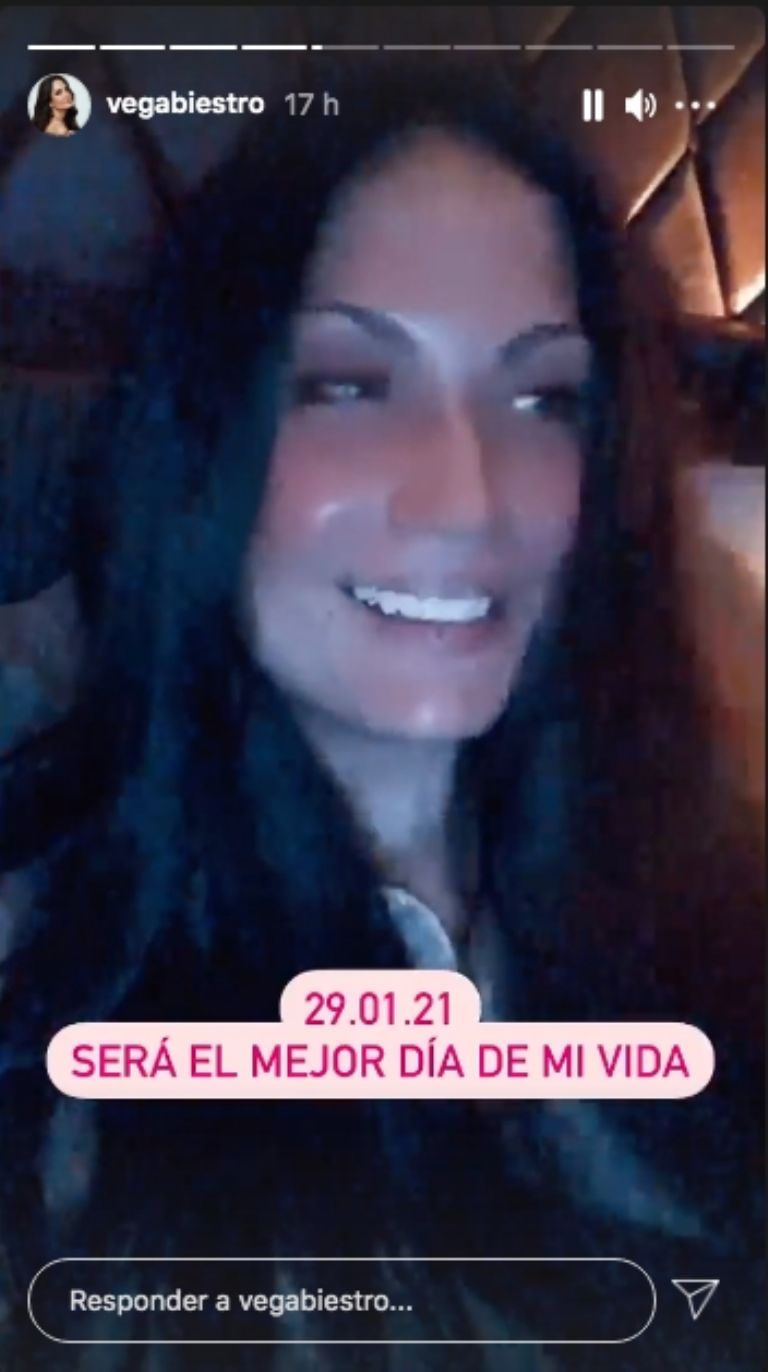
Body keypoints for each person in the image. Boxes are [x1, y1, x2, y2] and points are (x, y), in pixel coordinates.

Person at [0, 58, 764, 1372]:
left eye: (544, 397)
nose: (465, 498)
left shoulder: (713, 879)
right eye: (350, 383)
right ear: (208, 433)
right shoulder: (42, 942)